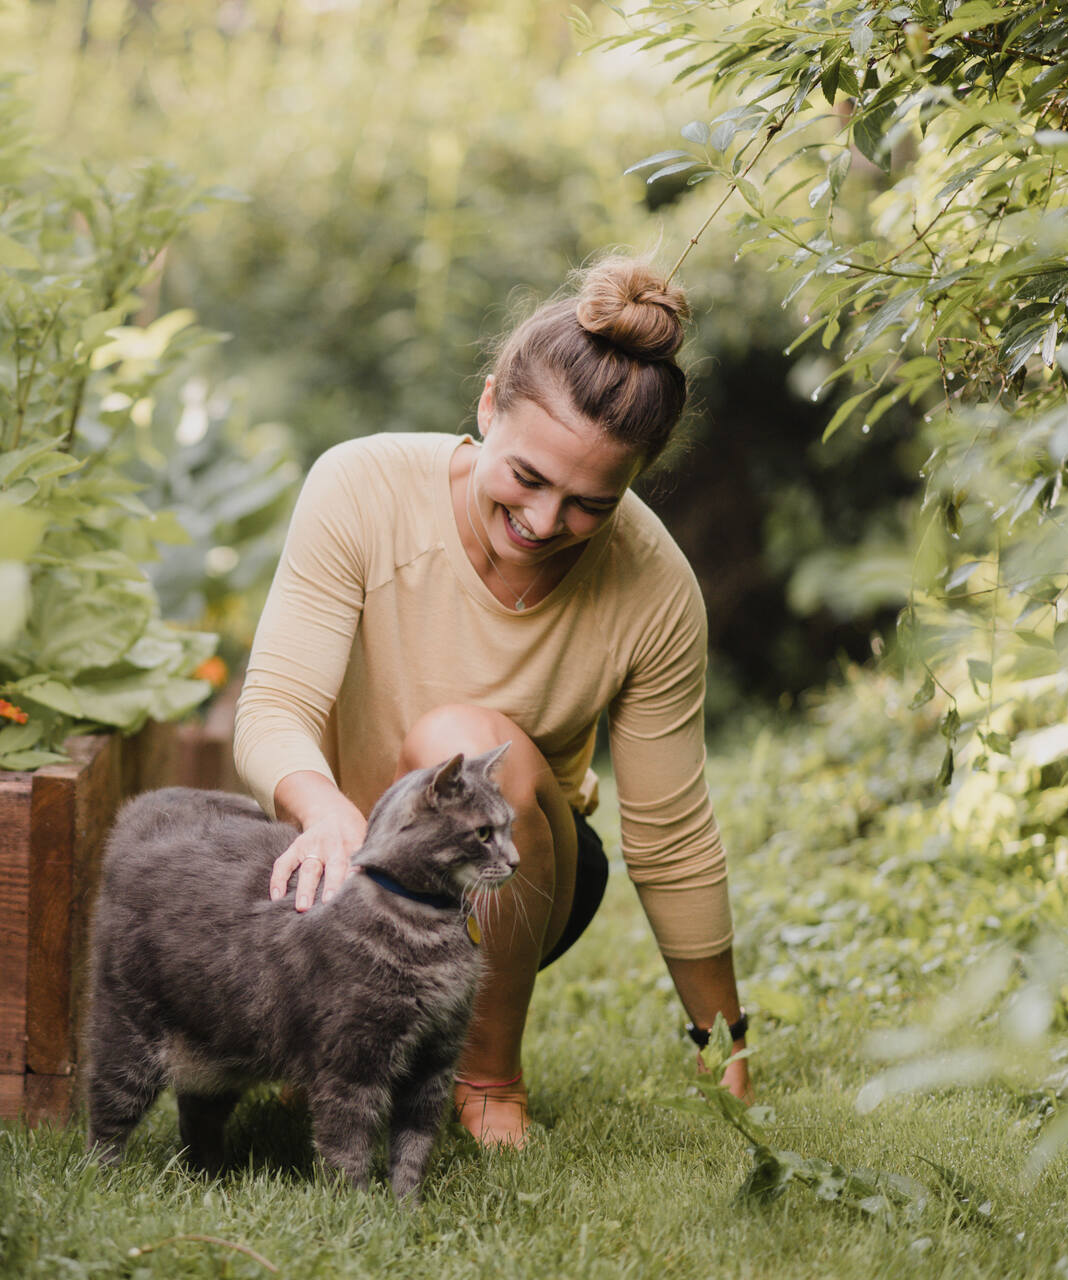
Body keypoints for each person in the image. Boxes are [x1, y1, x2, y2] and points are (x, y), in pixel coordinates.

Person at [232, 257, 751, 1149]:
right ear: (485, 407)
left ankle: (486, 1077)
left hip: (514, 872)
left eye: (592, 503)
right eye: (528, 478)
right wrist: (320, 815)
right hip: (337, 853)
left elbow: (670, 835)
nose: (547, 524)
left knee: (464, 743)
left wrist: (725, 1043)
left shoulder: (654, 585)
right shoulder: (359, 489)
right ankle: (347, 1029)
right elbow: (274, 706)